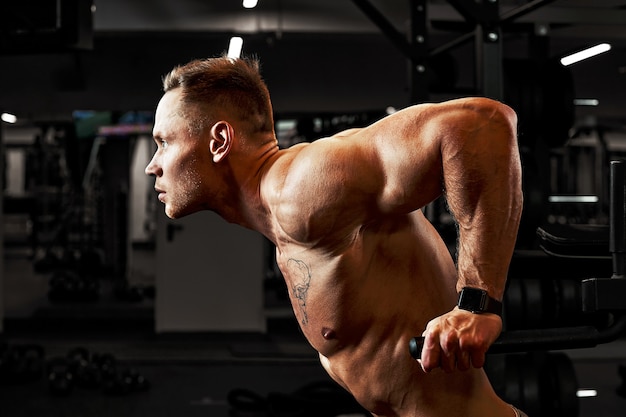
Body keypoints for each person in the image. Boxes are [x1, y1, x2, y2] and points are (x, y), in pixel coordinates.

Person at [145, 55, 524, 417]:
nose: (152, 166)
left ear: (218, 142)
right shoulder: (287, 220)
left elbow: (482, 123)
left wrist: (476, 305)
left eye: (164, 142)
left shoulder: (302, 186)